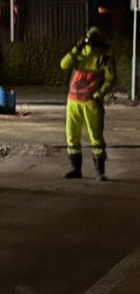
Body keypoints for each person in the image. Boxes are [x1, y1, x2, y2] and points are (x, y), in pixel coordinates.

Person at [61, 27, 115, 180]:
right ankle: (76, 169)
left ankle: (99, 171)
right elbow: (64, 64)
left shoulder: (104, 55)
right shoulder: (80, 52)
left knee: (96, 137)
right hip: (73, 101)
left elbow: (110, 78)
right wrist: (77, 47)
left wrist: (99, 94)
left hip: (91, 102)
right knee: (72, 136)